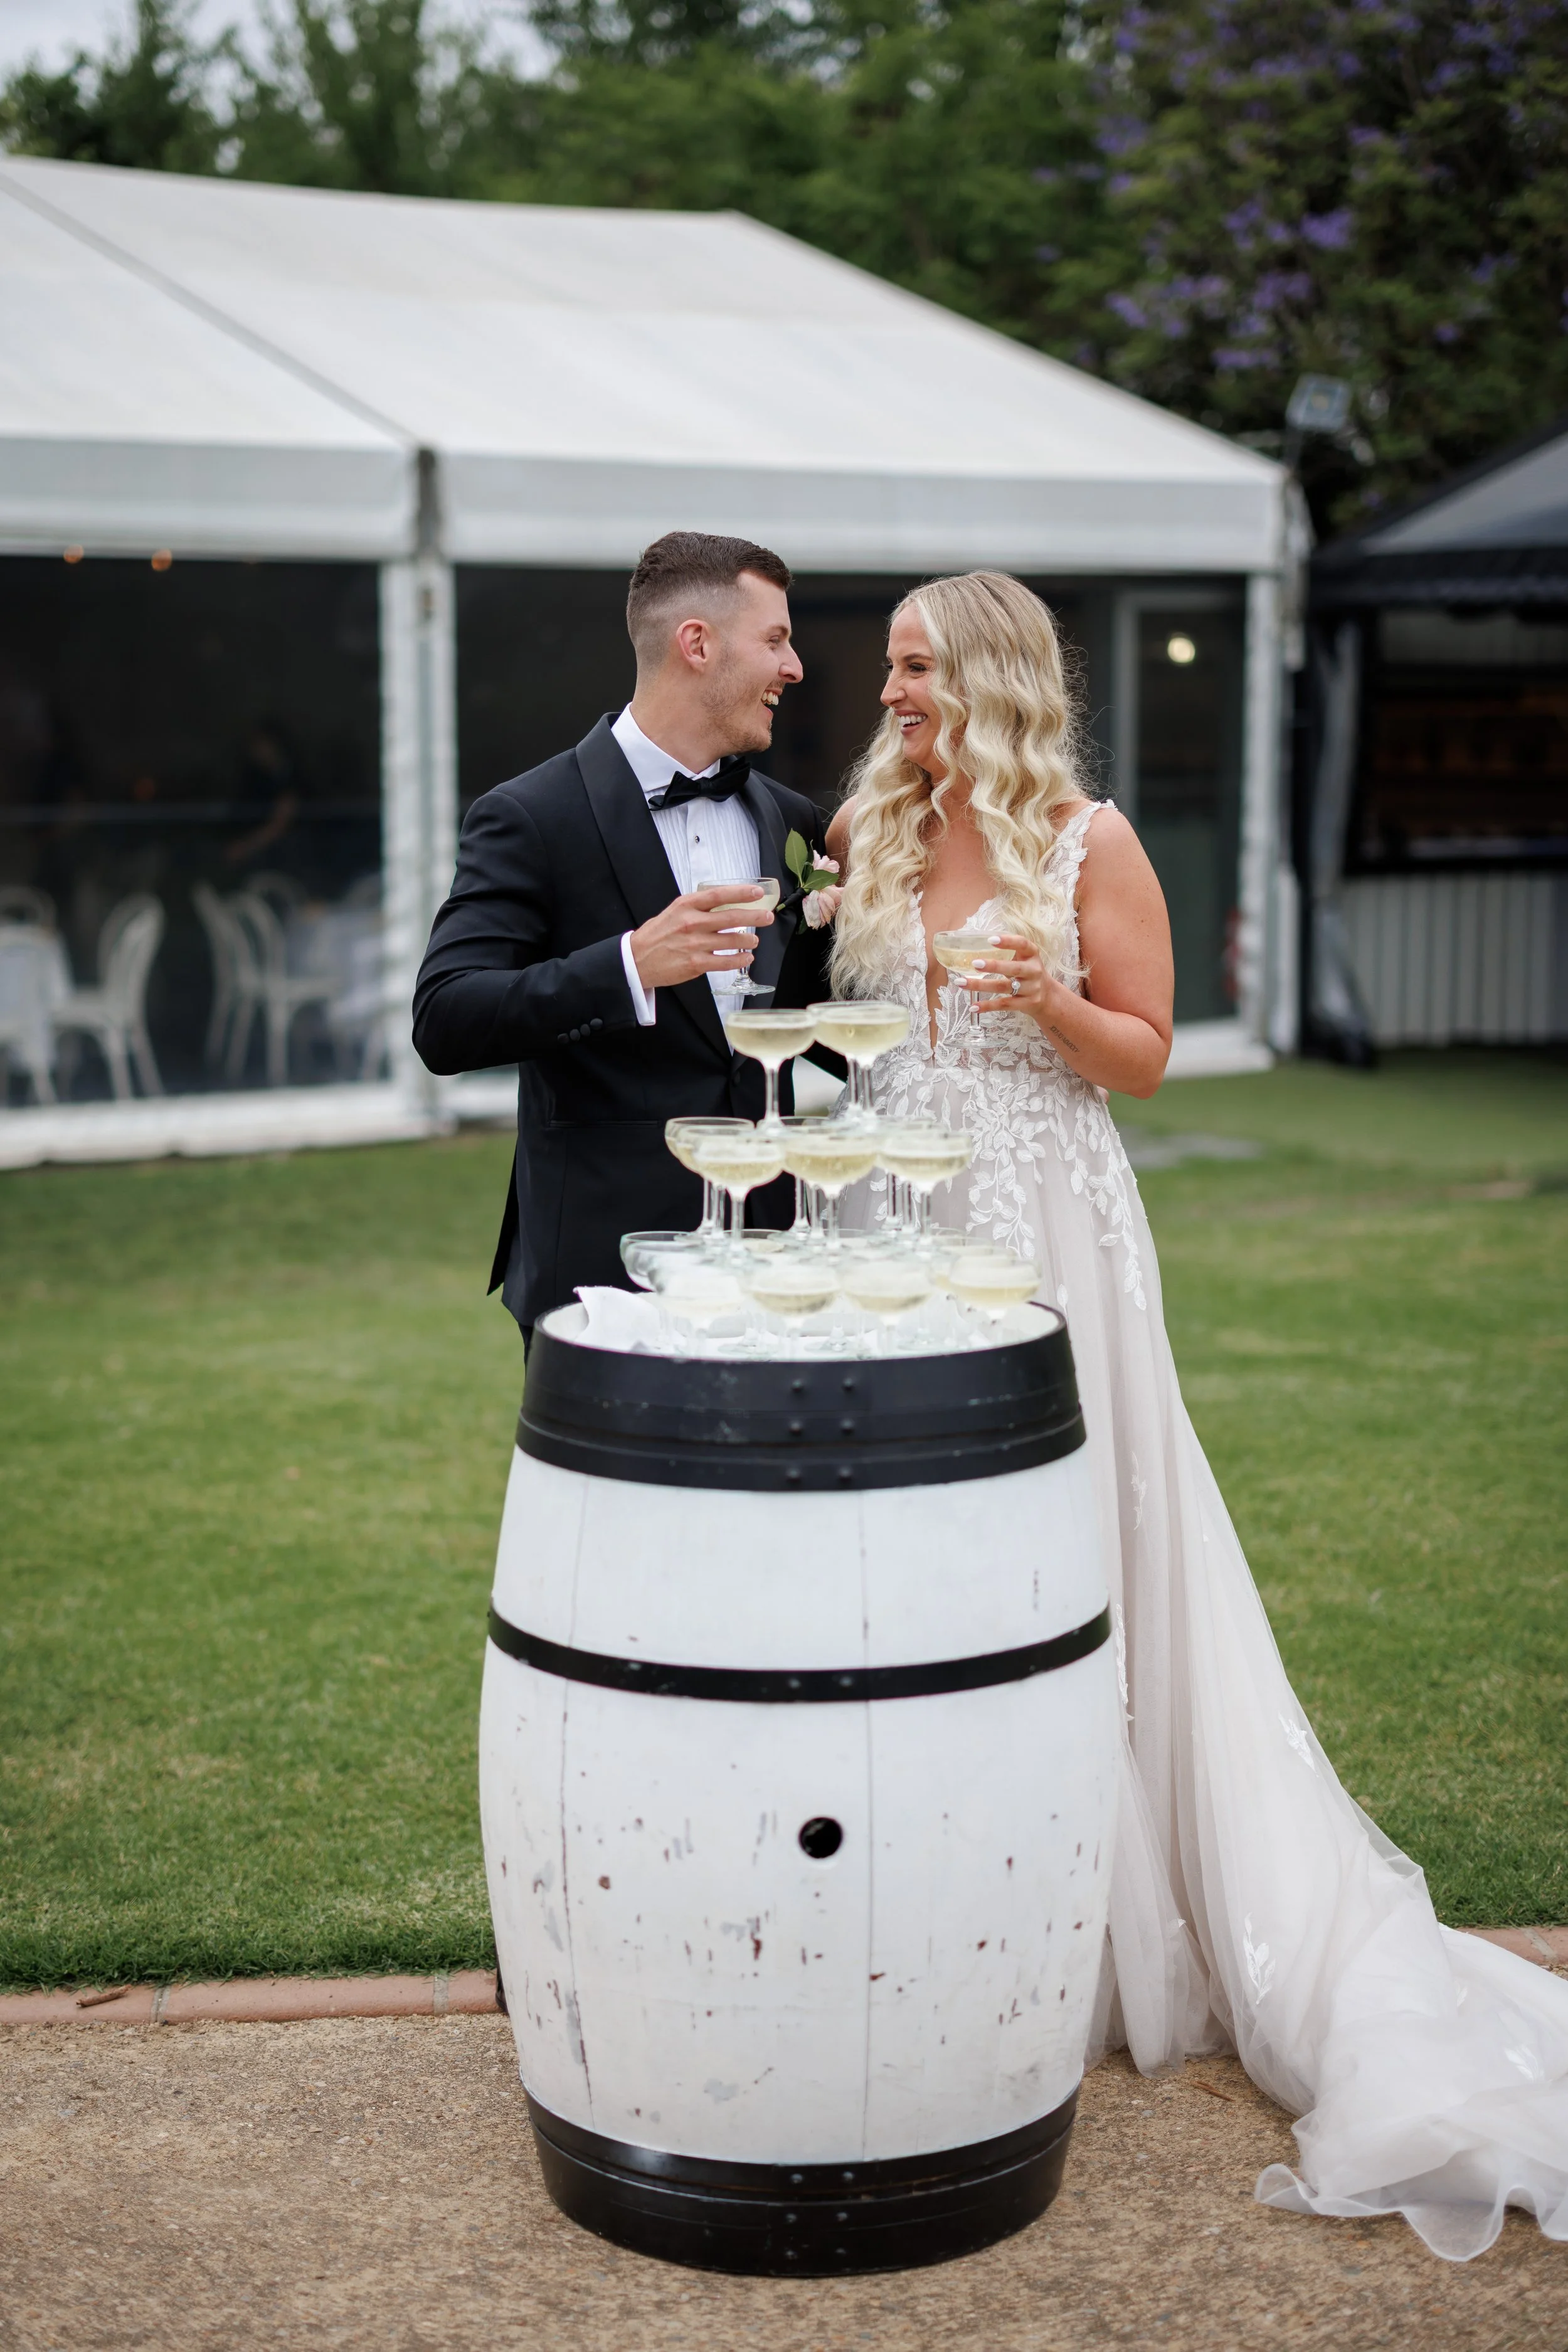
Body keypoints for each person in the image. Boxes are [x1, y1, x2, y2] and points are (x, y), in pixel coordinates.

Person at [819, 569, 1568, 2262]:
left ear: (993, 673)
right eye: (886, 667)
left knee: (1073, 1559)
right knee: (924, 1575)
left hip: (1048, 1238)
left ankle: (1105, 1930)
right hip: (897, 1237)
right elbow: (865, 1039)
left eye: (918, 666)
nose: (893, 692)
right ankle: (948, 1906)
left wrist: (1044, 1004)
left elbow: (1144, 1050)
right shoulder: (871, 827)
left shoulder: (1088, 840)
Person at [413, 532, 834, 1338]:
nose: (794, 668)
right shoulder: (531, 816)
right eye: (776, 640)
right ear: (697, 644)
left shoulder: (791, 820)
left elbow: (815, 1020)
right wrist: (631, 966)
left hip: (776, 1258)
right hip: (603, 1266)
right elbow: (446, 1019)